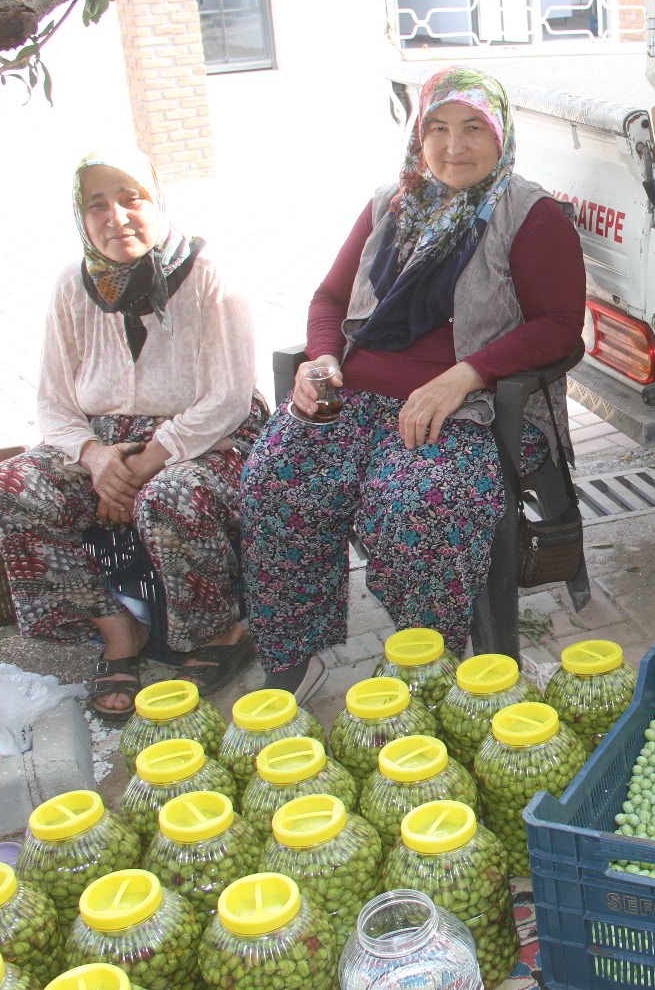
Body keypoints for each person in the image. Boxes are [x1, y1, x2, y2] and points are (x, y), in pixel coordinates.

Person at [241, 65, 586, 701]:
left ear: (501, 132)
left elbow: (562, 328)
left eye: (473, 128)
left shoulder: (529, 216)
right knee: (275, 477)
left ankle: (428, 659)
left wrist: (467, 374)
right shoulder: (389, 205)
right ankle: (295, 651)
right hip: (358, 398)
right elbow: (328, 299)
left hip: (468, 411)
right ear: (417, 136)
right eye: (438, 128)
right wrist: (321, 361)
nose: (454, 146)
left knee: (415, 503)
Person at [0, 147, 265, 721]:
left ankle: (221, 632)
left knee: (173, 494)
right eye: (97, 205)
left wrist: (151, 459)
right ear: (80, 218)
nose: (116, 217)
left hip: (209, 439)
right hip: (105, 447)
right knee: (8, 487)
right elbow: (54, 403)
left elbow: (229, 397)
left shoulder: (208, 276)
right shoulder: (72, 286)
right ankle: (118, 630)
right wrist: (95, 458)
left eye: (131, 197)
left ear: (158, 202)